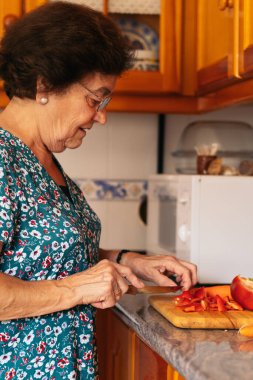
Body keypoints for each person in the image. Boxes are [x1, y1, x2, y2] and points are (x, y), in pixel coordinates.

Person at [0, 2, 197, 379]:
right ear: (44, 84)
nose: (101, 115)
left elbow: (41, 256)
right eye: (96, 98)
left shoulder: (42, 160)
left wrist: (127, 260)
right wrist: (78, 289)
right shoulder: (2, 159)